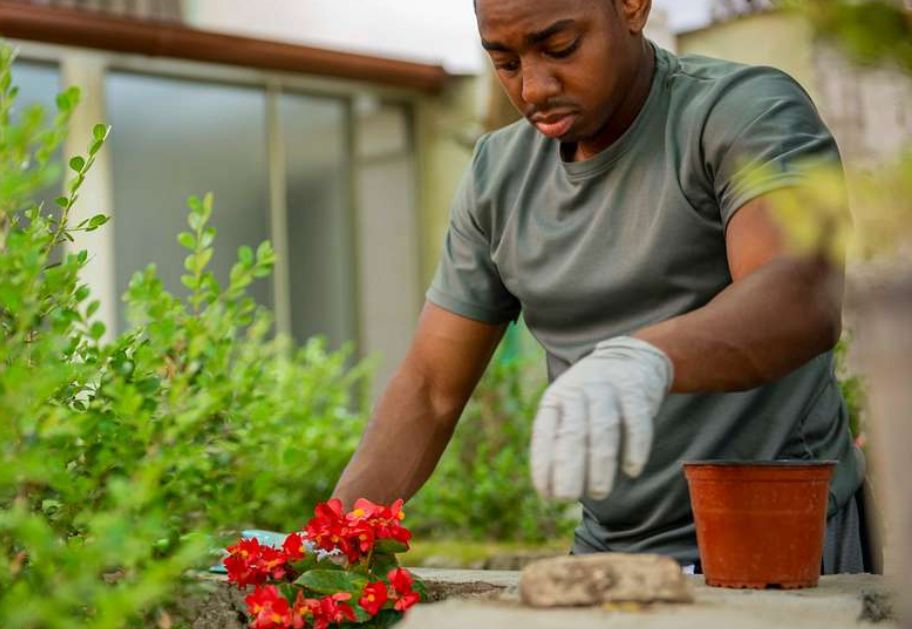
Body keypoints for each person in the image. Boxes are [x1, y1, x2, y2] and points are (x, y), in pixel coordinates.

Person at [331, 0, 870, 572]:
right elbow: (430, 388)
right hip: (610, 557)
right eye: (506, 63)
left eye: (560, 48)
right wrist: (329, 542)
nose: (535, 88)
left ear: (632, 7)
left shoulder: (742, 112)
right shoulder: (499, 174)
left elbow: (798, 296)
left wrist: (645, 359)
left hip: (780, 543)